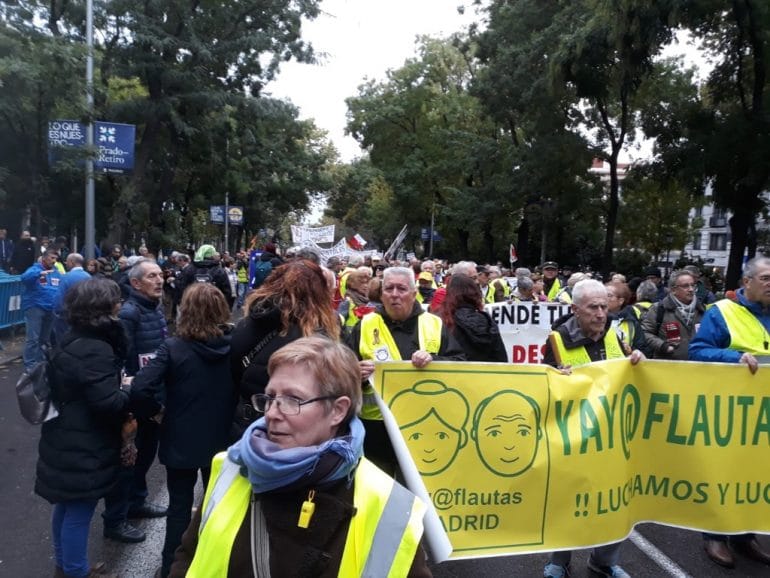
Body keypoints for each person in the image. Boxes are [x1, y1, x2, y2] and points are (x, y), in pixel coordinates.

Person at [168, 337, 432, 577]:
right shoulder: (231, 466)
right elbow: (188, 555)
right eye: (270, 398)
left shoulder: (388, 505)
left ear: (337, 411)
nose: (271, 413)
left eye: (293, 399)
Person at [131, 284, 237, 578]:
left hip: (181, 435)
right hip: (223, 437)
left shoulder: (174, 348)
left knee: (179, 507)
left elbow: (140, 387)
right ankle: (213, 564)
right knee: (219, 505)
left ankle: (170, 567)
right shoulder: (235, 346)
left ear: (185, 311)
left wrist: (155, 412)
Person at [542, 279, 644, 578]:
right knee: (568, 500)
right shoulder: (557, 340)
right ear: (575, 309)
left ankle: (603, 561)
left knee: (615, 501)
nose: (601, 314)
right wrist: (556, 377)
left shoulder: (617, 332)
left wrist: (637, 360)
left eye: (604, 306)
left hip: (614, 436)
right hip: (576, 437)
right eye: (593, 308)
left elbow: (631, 371)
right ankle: (558, 561)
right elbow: (544, 388)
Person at [35, 278, 130, 578]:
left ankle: (66, 566)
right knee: (79, 510)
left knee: (66, 505)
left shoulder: (71, 336)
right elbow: (108, 403)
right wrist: (130, 389)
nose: (120, 304)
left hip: (64, 433)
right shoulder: (94, 348)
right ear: (103, 307)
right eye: (116, 300)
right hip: (84, 440)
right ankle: (76, 572)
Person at [688, 256, 770, 569]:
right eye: (765, 278)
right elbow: (697, 351)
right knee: (724, 472)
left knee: (757, 472)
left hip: (763, 414)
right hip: (729, 409)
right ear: (746, 282)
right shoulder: (720, 312)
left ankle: (745, 535)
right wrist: (732, 357)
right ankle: (715, 535)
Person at [346, 266, 465, 472]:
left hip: (423, 424)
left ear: (413, 293)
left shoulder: (434, 324)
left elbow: (459, 365)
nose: (394, 295)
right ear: (381, 295)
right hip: (376, 428)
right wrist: (356, 372)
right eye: (389, 289)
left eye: (401, 289)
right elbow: (341, 370)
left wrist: (433, 359)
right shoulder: (365, 325)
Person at [230, 260, 341, 437]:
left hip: (248, 422)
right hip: (295, 426)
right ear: (317, 292)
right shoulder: (316, 335)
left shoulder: (248, 323)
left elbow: (234, 369)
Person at [102, 259, 168, 543]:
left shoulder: (156, 308)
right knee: (127, 460)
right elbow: (123, 359)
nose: (160, 280)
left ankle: (137, 502)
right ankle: (115, 519)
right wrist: (130, 398)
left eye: (161, 274)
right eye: (152, 276)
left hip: (152, 395)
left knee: (145, 455)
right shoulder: (130, 314)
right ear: (136, 283)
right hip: (134, 398)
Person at [441, 273, 508, 362]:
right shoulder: (487, 320)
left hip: (456, 373)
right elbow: (500, 356)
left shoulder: (444, 321)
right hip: (486, 373)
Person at [641, 270, 706, 360]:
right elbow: (645, 333)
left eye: (693, 285)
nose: (691, 289)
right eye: (685, 286)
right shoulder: (659, 309)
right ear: (673, 290)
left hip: (696, 366)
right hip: (668, 366)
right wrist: (663, 346)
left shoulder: (703, 310)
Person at [21, 249, 62, 369]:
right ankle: (29, 365)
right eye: (51, 258)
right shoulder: (34, 269)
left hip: (51, 308)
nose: (54, 261)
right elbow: (24, 278)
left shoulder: (55, 272)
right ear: (44, 258)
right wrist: (38, 274)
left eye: (55, 259)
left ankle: (40, 362)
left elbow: (59, 288)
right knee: (33, 338)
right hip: (35, 307)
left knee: (44, 338)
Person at [53, 253, 92, 343]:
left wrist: (57, 313)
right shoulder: (88, 277)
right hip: (85, 316)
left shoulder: (66, 277)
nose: (66, 263)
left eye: (67, 261)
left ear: (72, 262)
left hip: (67, 316)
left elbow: (59, 300)